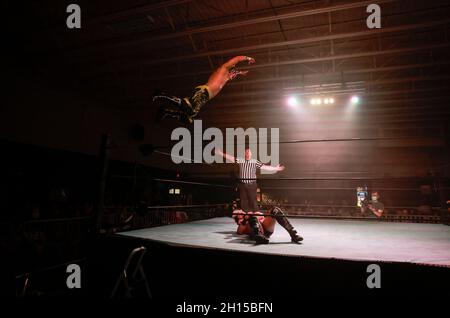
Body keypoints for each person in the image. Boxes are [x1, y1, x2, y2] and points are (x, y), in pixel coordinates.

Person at [153, 55, 255, 123]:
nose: (233, 76)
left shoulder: (227, 77)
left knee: (189, 118)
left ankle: (166, 112)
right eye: (234, 73)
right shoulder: (223, 69)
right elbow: (236, 59)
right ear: (230, 69)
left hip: (205, 97)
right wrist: (247, 58)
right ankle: (162, 95)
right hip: (203, 91)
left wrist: (241, 73)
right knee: (189, 108)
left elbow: (235, 73)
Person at [215, 148, 284, 213]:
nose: (247, 153)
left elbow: (265, 167)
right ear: (245, 154)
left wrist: (275, 168)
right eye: (246, 152)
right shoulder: (241, 160)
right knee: (243, 200)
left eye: (249, 152)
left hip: (252, 184)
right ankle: (246, 214)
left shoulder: (254, 161)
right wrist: (220, 153)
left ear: (251, 154)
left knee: (253, 200)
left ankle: (256, 214)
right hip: (242, 184)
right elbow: (231, 158)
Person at [232, 206, 303, 244]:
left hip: (266, 228)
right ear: (237, 217)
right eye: (239, 214)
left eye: (242, 212)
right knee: (252, 217)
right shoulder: (242, 221)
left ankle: (293, 234)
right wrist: (245, 219)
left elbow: (263, 218)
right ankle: (259, 237)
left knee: (275, 210)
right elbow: (239, 231)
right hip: (257, 233)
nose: (242, 213)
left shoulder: (253, 213)